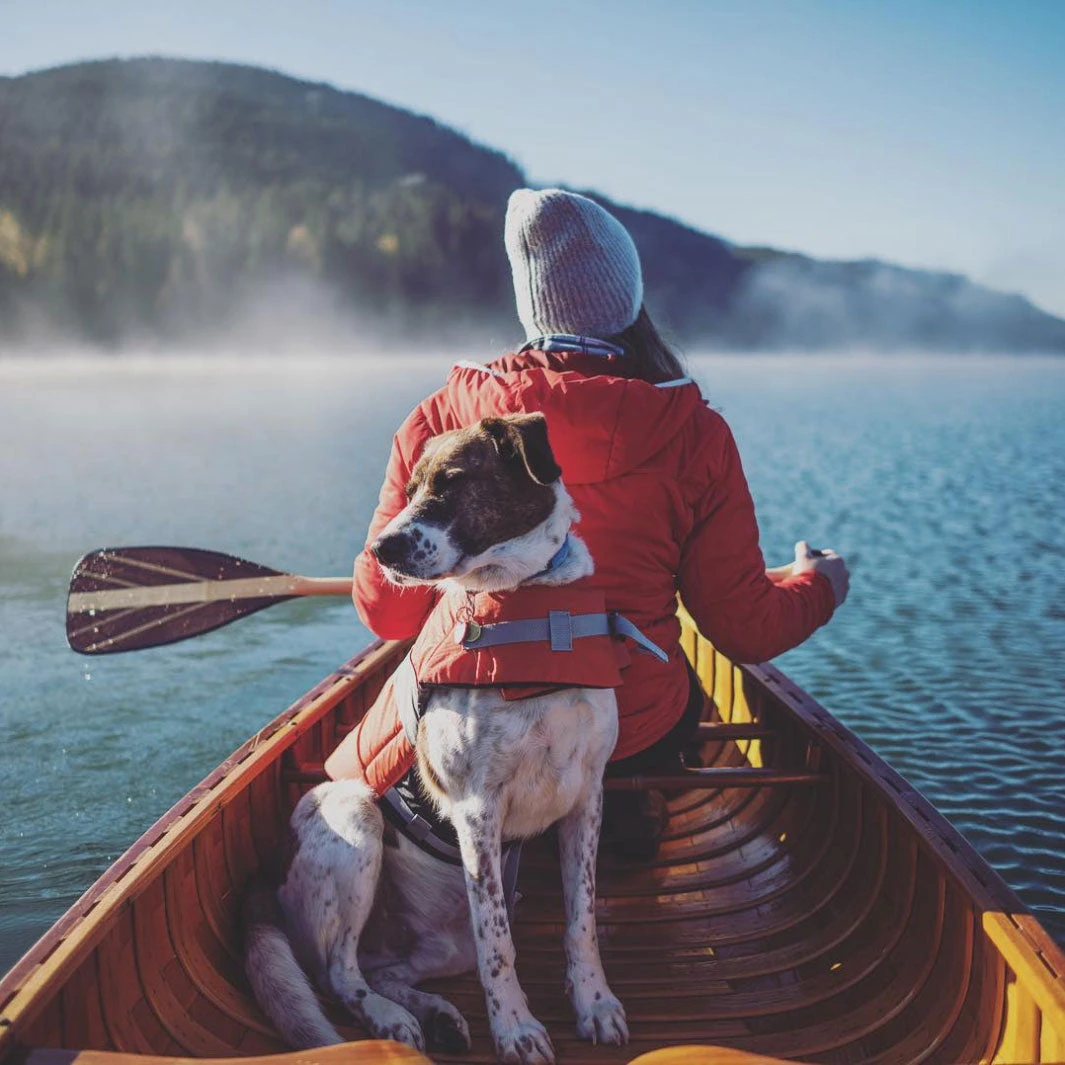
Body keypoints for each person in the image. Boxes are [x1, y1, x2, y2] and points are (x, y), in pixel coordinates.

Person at [351, 188, 849, 858]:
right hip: (625, 740)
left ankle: (481, 848)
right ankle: (619, 829)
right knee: (676, 689)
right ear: (626, 297)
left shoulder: (438, 419)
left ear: (530, 304)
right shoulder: (693, 432)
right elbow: (742, 626)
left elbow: (387, 612)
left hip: (478, 751)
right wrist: (819, 584)